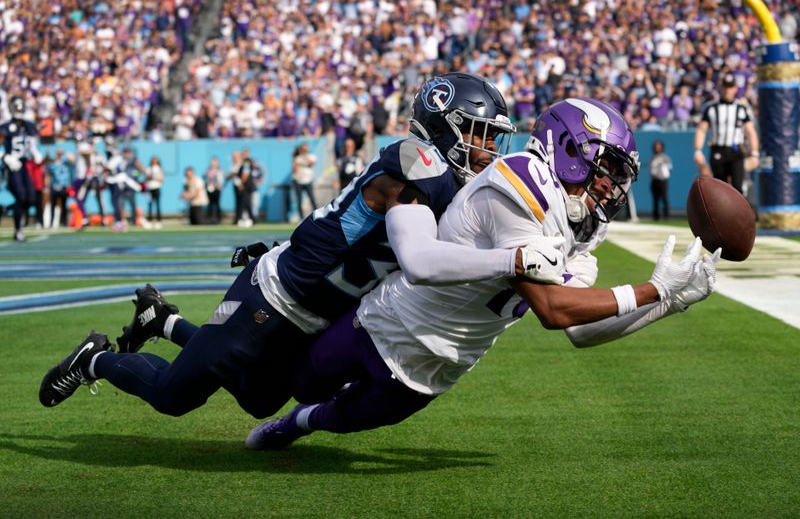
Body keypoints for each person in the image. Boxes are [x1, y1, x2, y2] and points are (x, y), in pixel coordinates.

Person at [36, 73, 547, 424]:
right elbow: (419, 257)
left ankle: (162, 322)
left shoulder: (448, 182)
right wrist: (513, 259)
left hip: (316, 307)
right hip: (278, 294)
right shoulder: (416, 163)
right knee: (176, 397)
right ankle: (94, 360)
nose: (488, 149)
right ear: (446, 124)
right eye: (481, 133)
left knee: (258, 400)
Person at [242, 98, 721, 450]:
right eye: (606, 166)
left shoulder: (582, 230)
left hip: (444, 362)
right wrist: (652, 289)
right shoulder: (522, 182)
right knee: (298, 381)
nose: (610, 183)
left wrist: (668, 302)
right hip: (385, 323)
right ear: (571, 149)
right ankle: (219, 343)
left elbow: (581, 328)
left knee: (340, 418)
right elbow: (554, 311)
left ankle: (299, 424)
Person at [693, 73, 760, 193]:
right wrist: (698, 150)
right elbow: (701, 130)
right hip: (718, 150)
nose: (727, 91)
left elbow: (751, 132)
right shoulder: (711, 108)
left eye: (730, 87)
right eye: (725, 87)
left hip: (735, 151)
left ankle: (739, 212)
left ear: (735, 89)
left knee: (737, 187)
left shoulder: (741, 108)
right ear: (720, 88)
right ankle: (722, 212)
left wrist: (755, 152)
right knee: (720, 188)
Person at [0, 96, 42, 241]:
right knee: (21, 196)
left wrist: (36, 152)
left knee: (31, 198)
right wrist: (6, 157)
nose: (19, 109)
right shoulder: (5, 127)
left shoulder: (29, 125)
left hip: (24, 165)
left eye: (20, 106)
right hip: (12, 166)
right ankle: (18, 230)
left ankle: (7, 210)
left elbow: (32, 142)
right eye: (16, 107)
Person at [47, 149, 73, 228]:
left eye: (60, 153)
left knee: (64, 205)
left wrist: (64, 153)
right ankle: (51, 222)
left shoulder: (65, 162)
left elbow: (72, 158)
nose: (59, 155)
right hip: (54, 187)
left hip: (63, 187)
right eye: (58, 153)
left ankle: (64, 222)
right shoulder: (52, 164)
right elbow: (48, 174)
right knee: (53, 206)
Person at [291, 142, 317, 219]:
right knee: (299, 201)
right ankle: (301, 217)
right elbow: (295, 170)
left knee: (312, 199)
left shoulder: (311, 156)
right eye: (302, 149)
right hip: (298, 181)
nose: (304, 150)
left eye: (305, 149)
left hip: (308, 180)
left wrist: (304, 156)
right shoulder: (297, 158)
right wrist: (295, 159)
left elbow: (311, 164)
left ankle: (316, 216)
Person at [649, 140, 672, 221]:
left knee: (665, 198)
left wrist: (665, 174)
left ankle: (667, 216)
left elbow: (670, 168)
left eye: (659, 147)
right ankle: (656, 217)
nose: (657, 148)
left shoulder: (665, 158)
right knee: (655, 199)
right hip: (655, 181)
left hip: (663, 181)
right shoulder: (653, 158)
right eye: (656, 147)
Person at [204, 156, 225, 224]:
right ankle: (209, 218)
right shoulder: (208, 170)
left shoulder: (220, 170)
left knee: (217, 204)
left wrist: (219, 186)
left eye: (215, 162)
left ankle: (218, 219)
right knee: (210, 204)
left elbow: (222, 179)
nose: (213, 163)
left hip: (217, 189)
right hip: (210, 189)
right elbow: (206, 179)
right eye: (213, 162)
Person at [145, 156, 164, 227]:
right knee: (150, 205)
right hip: (150, 188)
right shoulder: (148, 168)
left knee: (158, 205)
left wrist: (155, 178)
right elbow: (146, 177)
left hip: (157, 188)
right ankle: (149, 220)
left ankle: (159, 221)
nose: (154, 161)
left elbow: (162, 179)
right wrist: (149, 177)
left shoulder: (160, 169)